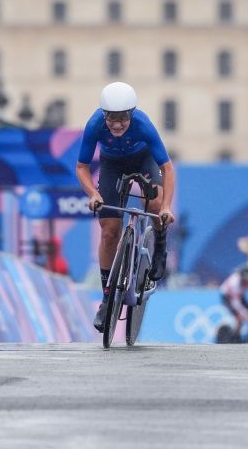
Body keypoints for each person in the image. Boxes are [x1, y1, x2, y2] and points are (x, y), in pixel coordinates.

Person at [75, 81, 176, 333]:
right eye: (112, 119)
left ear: (131, 114)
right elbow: (82, 167)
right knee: (109, 231)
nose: (117, 124)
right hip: (111, 164)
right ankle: (107, 298)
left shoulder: (143, 125)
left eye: (123, 119)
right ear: (104, 115)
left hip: (144, 161)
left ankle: (160, 245)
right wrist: (93, 192)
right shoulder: (94, 125)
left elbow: (167, 168)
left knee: (153, 203)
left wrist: (166, 207)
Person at [220, 266, 248, 341]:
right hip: (227, 298)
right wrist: (247, 316)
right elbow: (236, 304)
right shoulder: (234, 283)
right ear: (242, 279)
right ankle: (233, 338)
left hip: (240, 296)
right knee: (239, 318)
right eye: (246, 281)